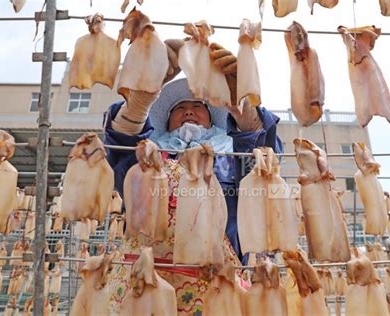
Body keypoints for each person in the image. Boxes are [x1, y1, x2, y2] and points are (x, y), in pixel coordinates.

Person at [104, 41, 282, 314]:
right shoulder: (147, 157)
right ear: (165, 121)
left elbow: (264, 169)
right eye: (179, 107)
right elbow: (120, 151)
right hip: (142, 286)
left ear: (212, 120)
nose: (188, 111)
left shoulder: (230, 158)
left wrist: (242, 109)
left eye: (198, 106)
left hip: (218, 284)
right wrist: (139, 103)